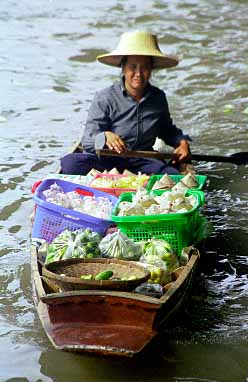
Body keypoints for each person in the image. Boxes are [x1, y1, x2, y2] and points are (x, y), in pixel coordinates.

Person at [61, 30, 191, 175]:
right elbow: (88, 141)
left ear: (151, 69)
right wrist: (105, 136)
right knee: (70, 163)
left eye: (145, 68)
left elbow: (167, 130)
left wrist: (181, 142)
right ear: (123, 68)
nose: (138, 74)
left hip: (143, 160)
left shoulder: (158, 97)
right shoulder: (104, 97)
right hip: (109, 160)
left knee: (173, 176)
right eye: (133, 67)